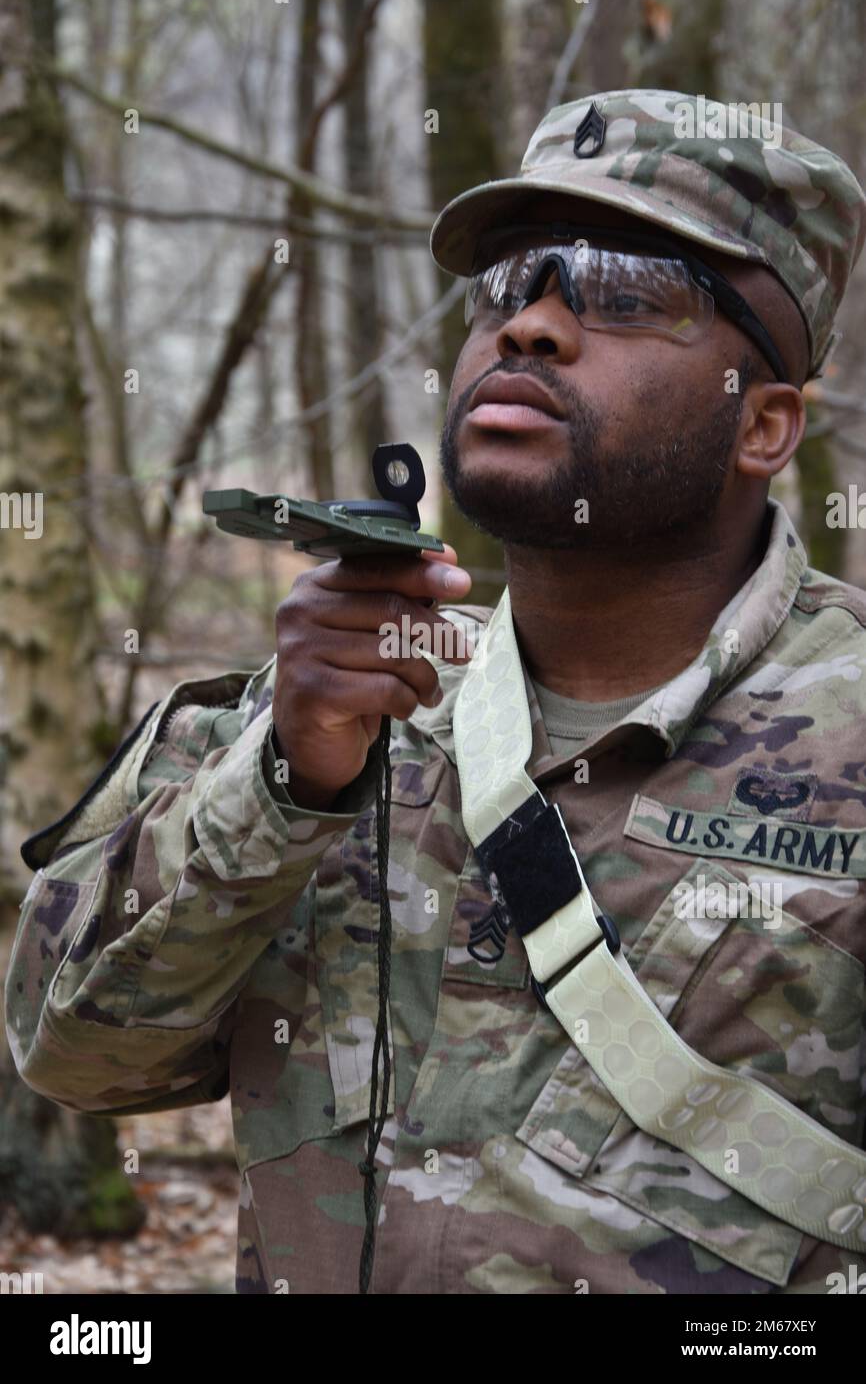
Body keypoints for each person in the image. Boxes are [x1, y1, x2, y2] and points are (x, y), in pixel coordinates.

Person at [6, 89, 866, 1295]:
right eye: (510, 285)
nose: (534, 329)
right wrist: (286, 782)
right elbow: (70, 1057)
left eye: (621, 290)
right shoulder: (327, 701)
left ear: (765, 423)